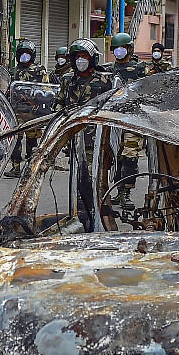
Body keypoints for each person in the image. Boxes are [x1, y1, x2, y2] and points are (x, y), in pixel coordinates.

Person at [57, 38, 115, 232]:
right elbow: (58, 104)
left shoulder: (105, 80)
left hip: (97, 141)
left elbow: (113, 109)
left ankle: (100, 219)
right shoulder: (67, 80)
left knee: (95, 183)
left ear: (92, 59)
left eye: (84, 57)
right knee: (77, 180)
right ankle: (82, 217)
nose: (80, 60)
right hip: (74, 140)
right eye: (77, 57)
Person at [101, 33, 151, 209]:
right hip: (113, 120)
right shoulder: (107, 70)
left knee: (130, 157)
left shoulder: (140, 69)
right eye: (115, 49)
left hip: (133, 119)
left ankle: (126, 192)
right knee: (115, 157)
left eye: (121, 48)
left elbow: (148, 91)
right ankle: (117, 190)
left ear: (129, 49)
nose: (118, 51)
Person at [5, 38, 48, 178]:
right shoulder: (12, 72)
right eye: (22, 53)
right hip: (15, 112)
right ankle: (15, 167)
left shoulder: (40, 71)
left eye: (27, 53)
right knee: (15, 140)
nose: (24, 56)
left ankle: (32, 166)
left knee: (32, 141)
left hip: (33, 112)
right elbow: (6, 89)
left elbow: (45, 91)